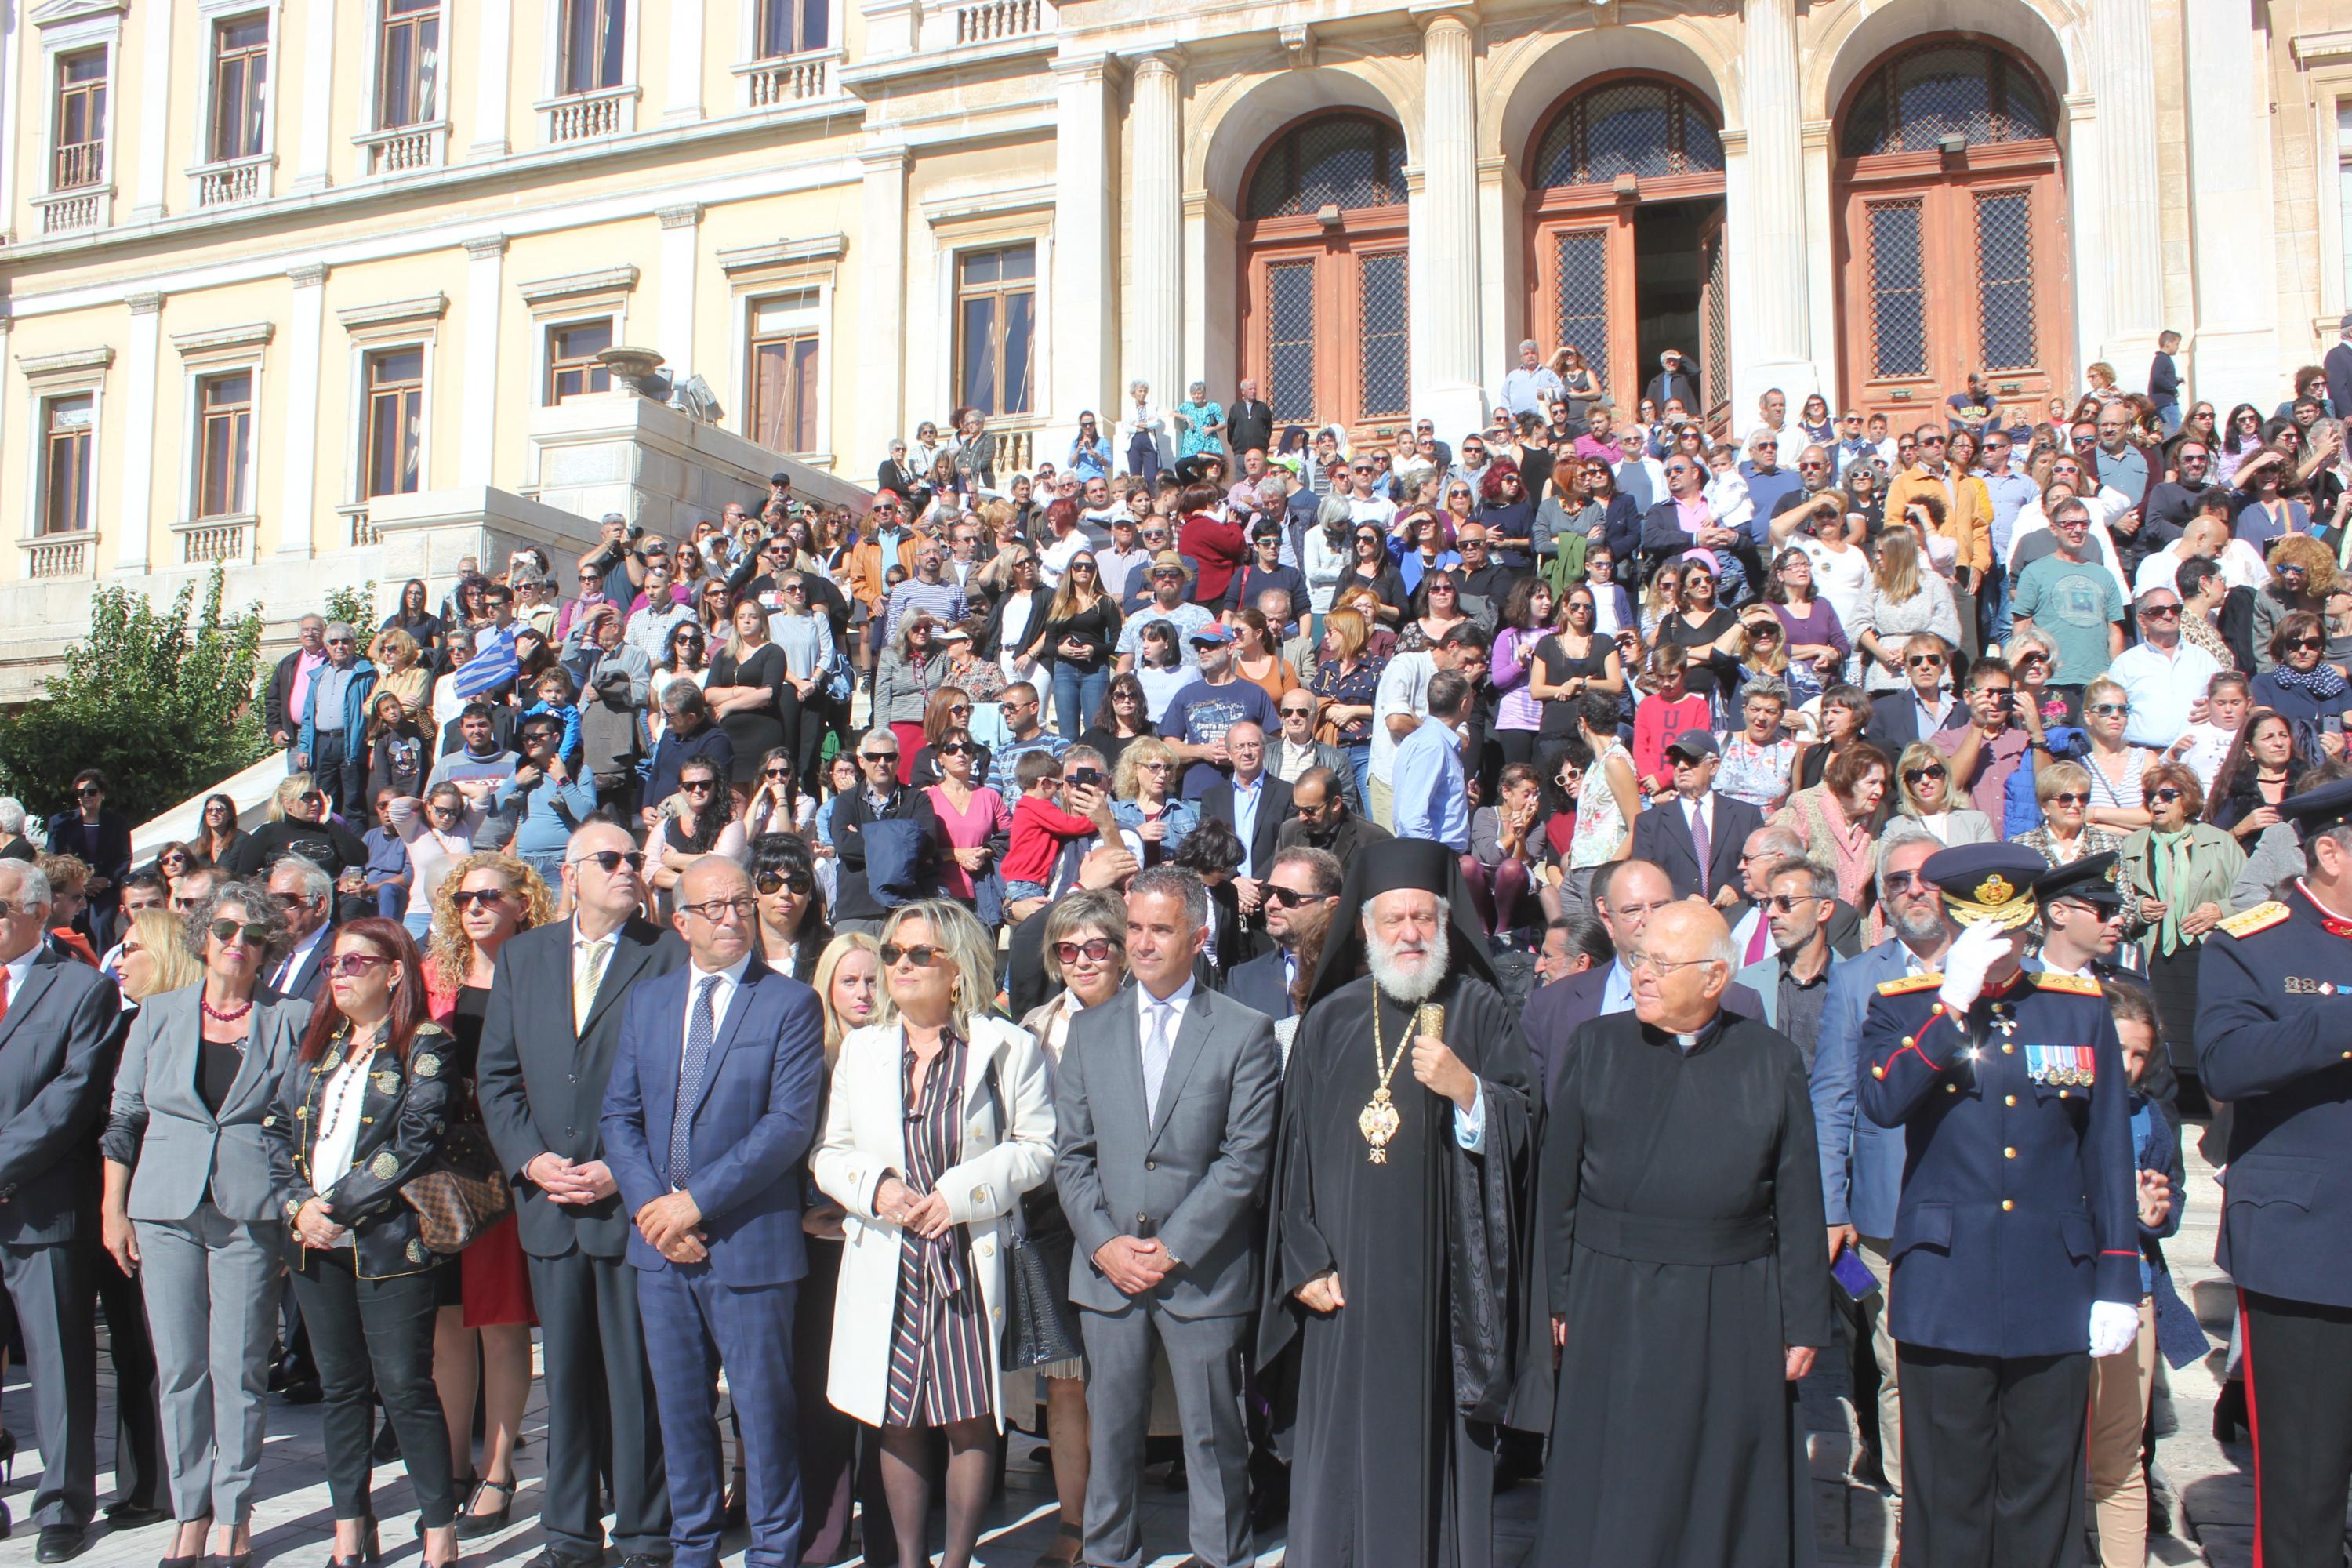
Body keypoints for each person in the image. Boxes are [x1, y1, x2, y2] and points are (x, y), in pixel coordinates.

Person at [1259, 840, 1544, 1567]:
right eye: (1395, 919)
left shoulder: (1479, 1010)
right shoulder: (1330, 1020)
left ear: (1446, 925)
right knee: (1341, 1463)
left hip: (1442, 1290)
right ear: (1365, 927)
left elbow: (1526, 1124)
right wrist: (1302, 1259)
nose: (1410, 932)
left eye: (1425, 917)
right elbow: (1292, 1157)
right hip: (1344, 1288)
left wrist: (1469, 1092)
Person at [1858, 844, 2139, 1568]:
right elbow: (1883, 1102)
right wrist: (1950, 1004)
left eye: (2011, 928)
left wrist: (2116, 1278)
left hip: (2052, 1280)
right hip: (1948, 1282)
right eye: (1982, 928)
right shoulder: (1906, 1005)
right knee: (1947, 1500)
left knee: (2043, 1495)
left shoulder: (2077, 1010)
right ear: (1951, 920)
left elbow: (2107, 1152)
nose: (2000, 944)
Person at [1536, 899, 1831, 1566]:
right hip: (1612, 1293)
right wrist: (1557, 1296)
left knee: (1720, 1466)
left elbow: (1797, 1196)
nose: (1641, 974)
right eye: (1639, 958)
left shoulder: (1772, 1059)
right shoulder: (1595, 1046)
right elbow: (1558, 1185)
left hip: (1733, 1298)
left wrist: (1805, 1319)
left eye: (1662, 965)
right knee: (1617, 1470)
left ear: (1714, 978)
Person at [811, 900, 1054, 1568]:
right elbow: (830, 1152)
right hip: (889, 1255)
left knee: (968, 1416)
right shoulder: (863, 1050)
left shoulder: (1006, 1047)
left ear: (958, 968)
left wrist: (959, 1194)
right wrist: (875, 1188)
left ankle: (956, 1561)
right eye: (893, 953)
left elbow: (1038, 1147)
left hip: (966, 1256)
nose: (901, 965)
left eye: (920, 953)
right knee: (897, 1415)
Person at [1051, 868, 1279, 1568]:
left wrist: (1172, 1246)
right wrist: (1105, 1246)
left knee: (1213, 1437)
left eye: (1161, 929)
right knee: (1112, 1433)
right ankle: (1109, 1555)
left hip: (1202, 1272)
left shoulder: (1244, 1031)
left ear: (1199, 936)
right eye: (1135, 928)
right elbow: (1071, 1156)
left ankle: (1221, 1557)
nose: (1143, 944)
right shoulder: (1089, 1030)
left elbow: (1245, 1158)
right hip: (1109, 1274)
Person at [475, 820, 684, 1568]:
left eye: (635, 859)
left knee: (636, 1378)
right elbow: (497, 1076)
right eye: (611, 859)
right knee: (562, 1379)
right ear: (569, 874)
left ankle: (645, 1535)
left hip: (630, 1204)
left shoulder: (667, 955)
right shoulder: (524, 956)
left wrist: (623, 1169)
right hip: (550, 1205)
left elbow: (679, 1081)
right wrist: (530, 1161)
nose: (628, 868)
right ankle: (568, 1535)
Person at [99, 885, 307, 1568]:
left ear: (269, 948)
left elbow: (303, 1119)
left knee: (239, 1368)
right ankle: (190, 1513)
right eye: (224, 929)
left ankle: (234, 1514)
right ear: (203, 937)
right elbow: (125, 1115)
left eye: (253, 935)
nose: (237, 943)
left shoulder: (292, 1017)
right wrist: (113, 1207)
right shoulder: (158, 1014)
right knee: (180, 1368)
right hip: (163, 1207)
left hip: (250, 1211)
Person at [264, 917, 464, 1568]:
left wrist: (338, 1207)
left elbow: (418, 1137)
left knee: (404, 1385)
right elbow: (275, 1129)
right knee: (342, 1388)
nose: (339, 975)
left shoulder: (424, 1043)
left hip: (390, 1243)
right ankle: (350, 1529)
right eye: (333, 964)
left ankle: (439, 1532)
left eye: (355, 963)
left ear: (394, 971)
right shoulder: (318, 1044)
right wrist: (299, 1208)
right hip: (313, 1243)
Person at [2197, 777, 2352, 1564]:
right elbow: (2225, 1063)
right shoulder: (2255, 942)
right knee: (2305, 1486)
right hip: (2309, 1251)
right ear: (2331, 851)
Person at [421, 855, 551, 1539]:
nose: (475, 907)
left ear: (523, 903)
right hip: (440, 1173)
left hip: (507, 1163)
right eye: (463, 898)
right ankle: (449, 1464)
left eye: (490, 896)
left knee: (501, 1324)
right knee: (447, 1324)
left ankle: (499, 1470)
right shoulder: (434, 979)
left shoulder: (543, 974)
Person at [1630, 731, 1765, 905]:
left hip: (1736, 914)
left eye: (1691, 759)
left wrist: (1736, 888)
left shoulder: (1746, 816)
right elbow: (1645, 874)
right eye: (1675, 760)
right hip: (1675, 915)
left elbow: (1762, 862)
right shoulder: (1649, 823)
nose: (1681, 766)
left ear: (1713, 766)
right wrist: (1684, 897)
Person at [1392, 670, 1475, 851]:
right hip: (1434, 856)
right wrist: (1434, 858)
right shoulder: (1432, 747)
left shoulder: (1426, 741)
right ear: (1464, 703)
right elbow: (1412, 818)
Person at [1893, 741, 1994, 845]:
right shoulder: (1894, 830)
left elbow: (1989, 855)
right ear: (1906, 783)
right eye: (1914, 775)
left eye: (1933, 772)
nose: (1925, 781)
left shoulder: (1977, 822)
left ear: (1945, 775)